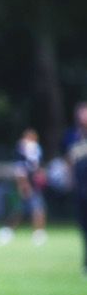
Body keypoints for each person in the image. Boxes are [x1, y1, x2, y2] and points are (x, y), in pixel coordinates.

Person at [0, 128, 48, 245]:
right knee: (20, 210)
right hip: (24, 183)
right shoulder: (22, 150)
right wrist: (23, 185)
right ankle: (8, 231)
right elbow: (20, 170)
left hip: (33, 184)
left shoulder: (35, 149)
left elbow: (37, 168)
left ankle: (38, 232)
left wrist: (40, 176)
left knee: (37, 208)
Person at [64, 102, 87, 273]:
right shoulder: (72, 137)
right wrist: (69, 181)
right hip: (80, 190)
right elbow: (68, 161)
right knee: (83, 227)